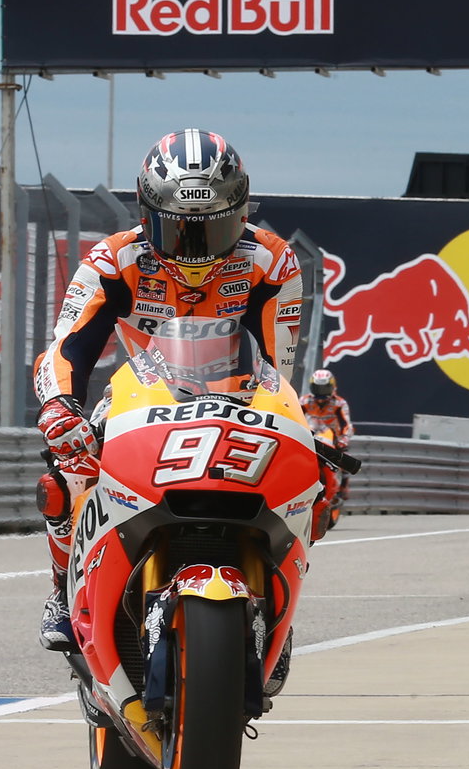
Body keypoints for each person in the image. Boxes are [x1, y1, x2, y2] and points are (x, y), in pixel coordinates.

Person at [32, 128, 302, 651]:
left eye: (213, 229)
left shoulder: (272, 262)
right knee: (69, 468)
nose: (195, 247)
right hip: (142, 395)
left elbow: (278, 366)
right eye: (179, 229)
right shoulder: (111, 261)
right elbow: (66, 347)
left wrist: (293, 422)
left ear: (242, 214)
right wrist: (60, 407)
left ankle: (272, 594)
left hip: (241, 396)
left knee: (298, 474)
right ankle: (63, 590)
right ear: (146, 213)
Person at [302, 367, 354, 539]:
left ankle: (344, 485)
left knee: (344, 456)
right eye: (317, 388)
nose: (320, 392)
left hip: (332, 437)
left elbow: (346, 423)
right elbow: (293, 416)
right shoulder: (304, 401)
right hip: (311, 436)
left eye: (324, 388)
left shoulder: (339, 403)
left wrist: (344, 438)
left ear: (332, 387)